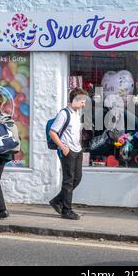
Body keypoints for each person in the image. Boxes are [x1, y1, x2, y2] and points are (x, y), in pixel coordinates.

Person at [49, 88, 88, 220]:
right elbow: (53, 132)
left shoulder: (77, 113)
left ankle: (57, 201)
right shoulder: (64, 114)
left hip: (77, 150)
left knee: (77, 178)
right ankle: (67, 210)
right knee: (68, 180)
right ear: (76, 100)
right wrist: (63, 147)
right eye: (83, 101)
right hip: (67, 151)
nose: (84, 104)